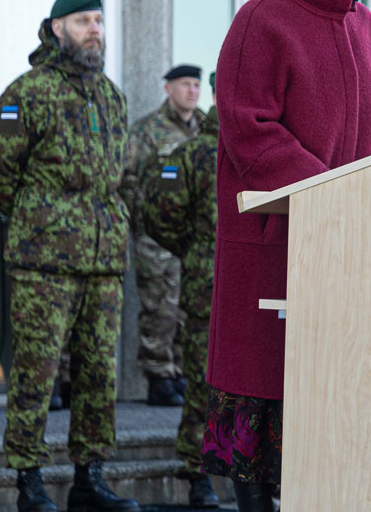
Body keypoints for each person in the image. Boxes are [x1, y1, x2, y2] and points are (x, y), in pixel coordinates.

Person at [203, 0, 371, 512]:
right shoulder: (261, 20)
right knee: (266, 403)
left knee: (332, 401)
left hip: (347, 247)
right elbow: (248, 128)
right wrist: (330, 191)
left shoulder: (366, 27)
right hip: (274, 244)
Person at [0, 0, 138, 511]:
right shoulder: (25, 93)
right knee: (37, 370)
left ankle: (89, 478)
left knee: (97, 373)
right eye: (82, 21)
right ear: (56, 28)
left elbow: (125, 174)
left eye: (98, 20)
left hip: (104, 258)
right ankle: (29, 479)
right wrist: (38, 216)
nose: (94, 29)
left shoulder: (112, 96)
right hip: (46, 258)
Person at [141, 71, 221, 508]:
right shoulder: (193, 154)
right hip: (207, 288)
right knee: (204, 383)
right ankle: (198, 475)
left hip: (268, 285)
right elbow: (158, 216)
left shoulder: (266, 147)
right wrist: (196, 250)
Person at [120, 64, 205, 407]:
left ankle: (179, 373)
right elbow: (126, 179)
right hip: (156, 237)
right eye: (185, 84)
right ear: (168, 89)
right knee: (160, 308)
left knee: (189, 307)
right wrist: (141, 219)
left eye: (197, 85)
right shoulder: (147, 131)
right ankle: (158, 376)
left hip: (193, 236)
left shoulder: (204, 129)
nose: (192, 91)